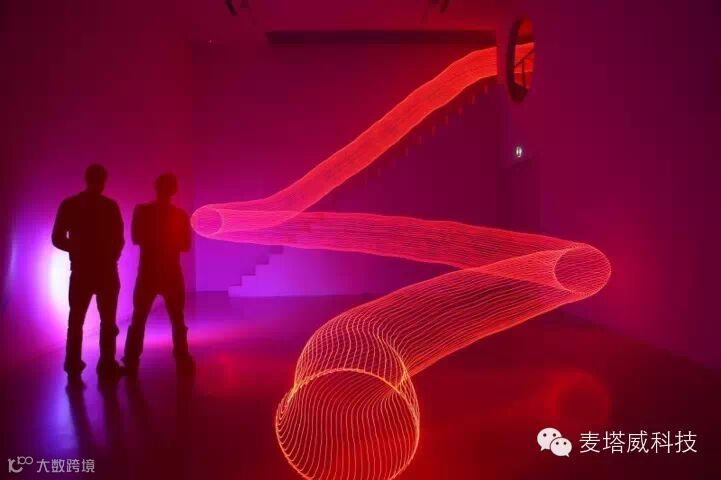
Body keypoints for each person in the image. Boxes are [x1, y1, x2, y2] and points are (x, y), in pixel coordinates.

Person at [52, 164, 125, 377]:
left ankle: (72, 362)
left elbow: (57, 238)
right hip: (106, 271)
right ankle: (107, 363)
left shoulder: (70, 204)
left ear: (86, 178)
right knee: (107, 320)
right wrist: (111, 257)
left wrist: (77, 249)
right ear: (104, 181)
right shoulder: (109, 206)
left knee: (76, 320)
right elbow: (119, 239)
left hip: (81, 270)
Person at [123, 173, 195, 376]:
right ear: (174, 190)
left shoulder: (142, 211)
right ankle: (182, 355)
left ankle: (131, 358)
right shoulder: (180, 215)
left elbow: (136, 238)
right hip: (171, 272)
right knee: (177, 318)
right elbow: (186, 246)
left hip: (148, 272)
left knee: (139, 317)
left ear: (156, 187)